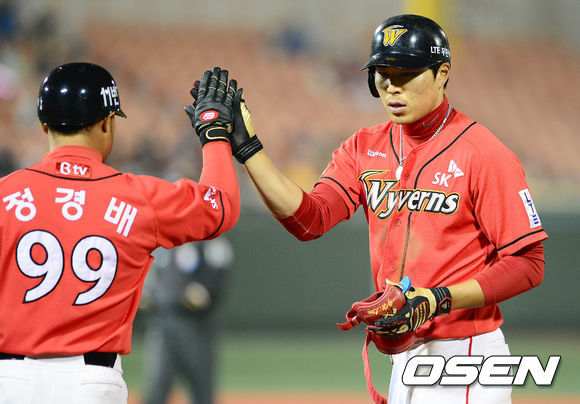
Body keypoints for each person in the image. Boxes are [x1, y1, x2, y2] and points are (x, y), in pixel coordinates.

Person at [210, 14, 548, 404]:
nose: (392, 87)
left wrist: (437, 298)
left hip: (465, 355)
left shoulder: (484, 153)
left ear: (442, 73)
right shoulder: (363, 147)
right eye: (383, 74)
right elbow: (309, 220)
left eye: (406, 73)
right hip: (404, 357)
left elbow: (528, 263)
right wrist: (249, 149)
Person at [0, 63, 240, 404]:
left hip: (10, 381)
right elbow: (222, 205)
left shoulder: (5, 195)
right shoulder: (141, 199)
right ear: (107, 122)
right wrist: (214, 135)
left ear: (43, 124)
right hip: (92, 384)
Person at [142, 237, 234, 404]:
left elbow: (217, 277)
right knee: (158, 385)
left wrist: (205, 290)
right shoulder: (164, 241)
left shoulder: (212, 241)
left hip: (196, 323)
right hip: (163, 319)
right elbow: (153, 274)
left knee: (200, 382)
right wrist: (148, 293)